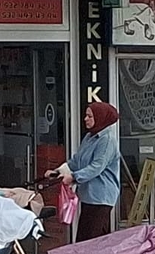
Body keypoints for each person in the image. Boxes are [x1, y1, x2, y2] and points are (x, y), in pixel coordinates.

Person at [51, 102, 121, 242]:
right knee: (86, 239)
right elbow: (77, 161)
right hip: (88, 195)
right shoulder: (89, 137)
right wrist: (58, 171)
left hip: (100, 197)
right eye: (86, 115)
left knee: (91, 240)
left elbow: (97, 166)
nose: (85, 119)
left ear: (100, 118)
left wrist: (74, 177)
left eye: (90, 116)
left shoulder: (106, 140)